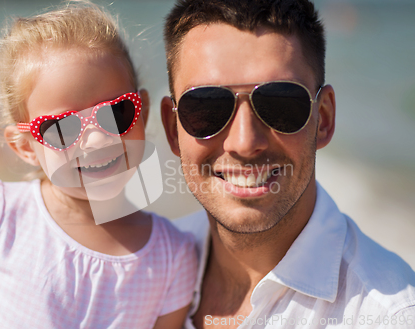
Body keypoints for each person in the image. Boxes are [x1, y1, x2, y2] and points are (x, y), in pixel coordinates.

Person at [0, 2, 197, 329]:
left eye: (116, 113)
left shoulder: (171, 257)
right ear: (24, 148)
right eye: (62, 129)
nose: (96, 141)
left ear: (143, 111)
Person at [159, 0, 415, 328]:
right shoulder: (141, 272)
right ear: (172, 128)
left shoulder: (390, 317)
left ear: (323, 118)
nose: (245, 142)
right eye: (206, 107)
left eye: (280, 104)